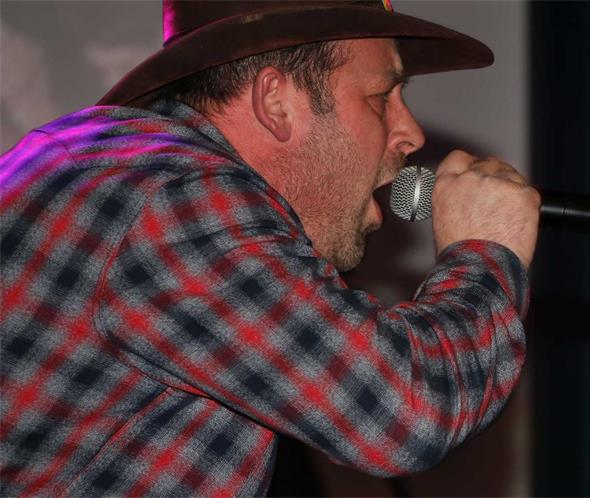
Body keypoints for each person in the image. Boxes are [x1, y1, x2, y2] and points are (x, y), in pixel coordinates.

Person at [0, 1, 540, 496]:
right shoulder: (180, 198)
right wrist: (486, 247)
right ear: (276, 101)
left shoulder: (105, 166)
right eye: (382, 97)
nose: (411, 133)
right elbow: (407, 415)